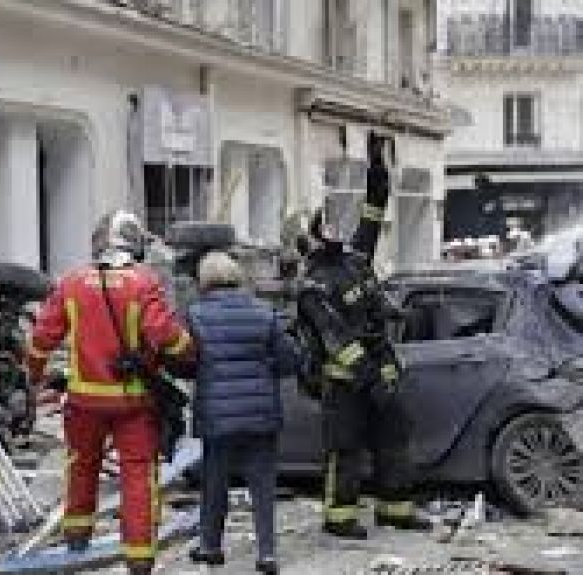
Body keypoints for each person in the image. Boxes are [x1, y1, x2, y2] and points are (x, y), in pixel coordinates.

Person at [24, 210, 193, 575]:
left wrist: (33, 377)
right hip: (132, 401)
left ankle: (77, 537)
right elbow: (164, 334)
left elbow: (41, 338)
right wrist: (189, 354)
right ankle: (139, 556)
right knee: (138, 473)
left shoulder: (71, 283)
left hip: (83, 401)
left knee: (81, 466)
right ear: (134, 245)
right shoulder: (143, 283)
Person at [295, 133, 432, 539]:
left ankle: (396, 509)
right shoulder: (313, 285)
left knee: (394, 440)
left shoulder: (356, 260)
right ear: (314, 237)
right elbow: (336, 338)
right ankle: (339, 519)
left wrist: (378, 171)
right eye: (328, 226)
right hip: (344, 381)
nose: (338, 231)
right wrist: (372, 379)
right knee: (345, 449)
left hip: (379, 371)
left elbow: (373, 215)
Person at [185, 251, 300, 575]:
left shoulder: (195, 315)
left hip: (216, 415)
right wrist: (265, 372)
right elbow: (291, 359)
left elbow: (184, 361)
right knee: (262, 485)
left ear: (204, 281)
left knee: (215, 482)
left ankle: (211, 546)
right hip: (260, 413)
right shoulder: (265, 312)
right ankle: (266, 553)